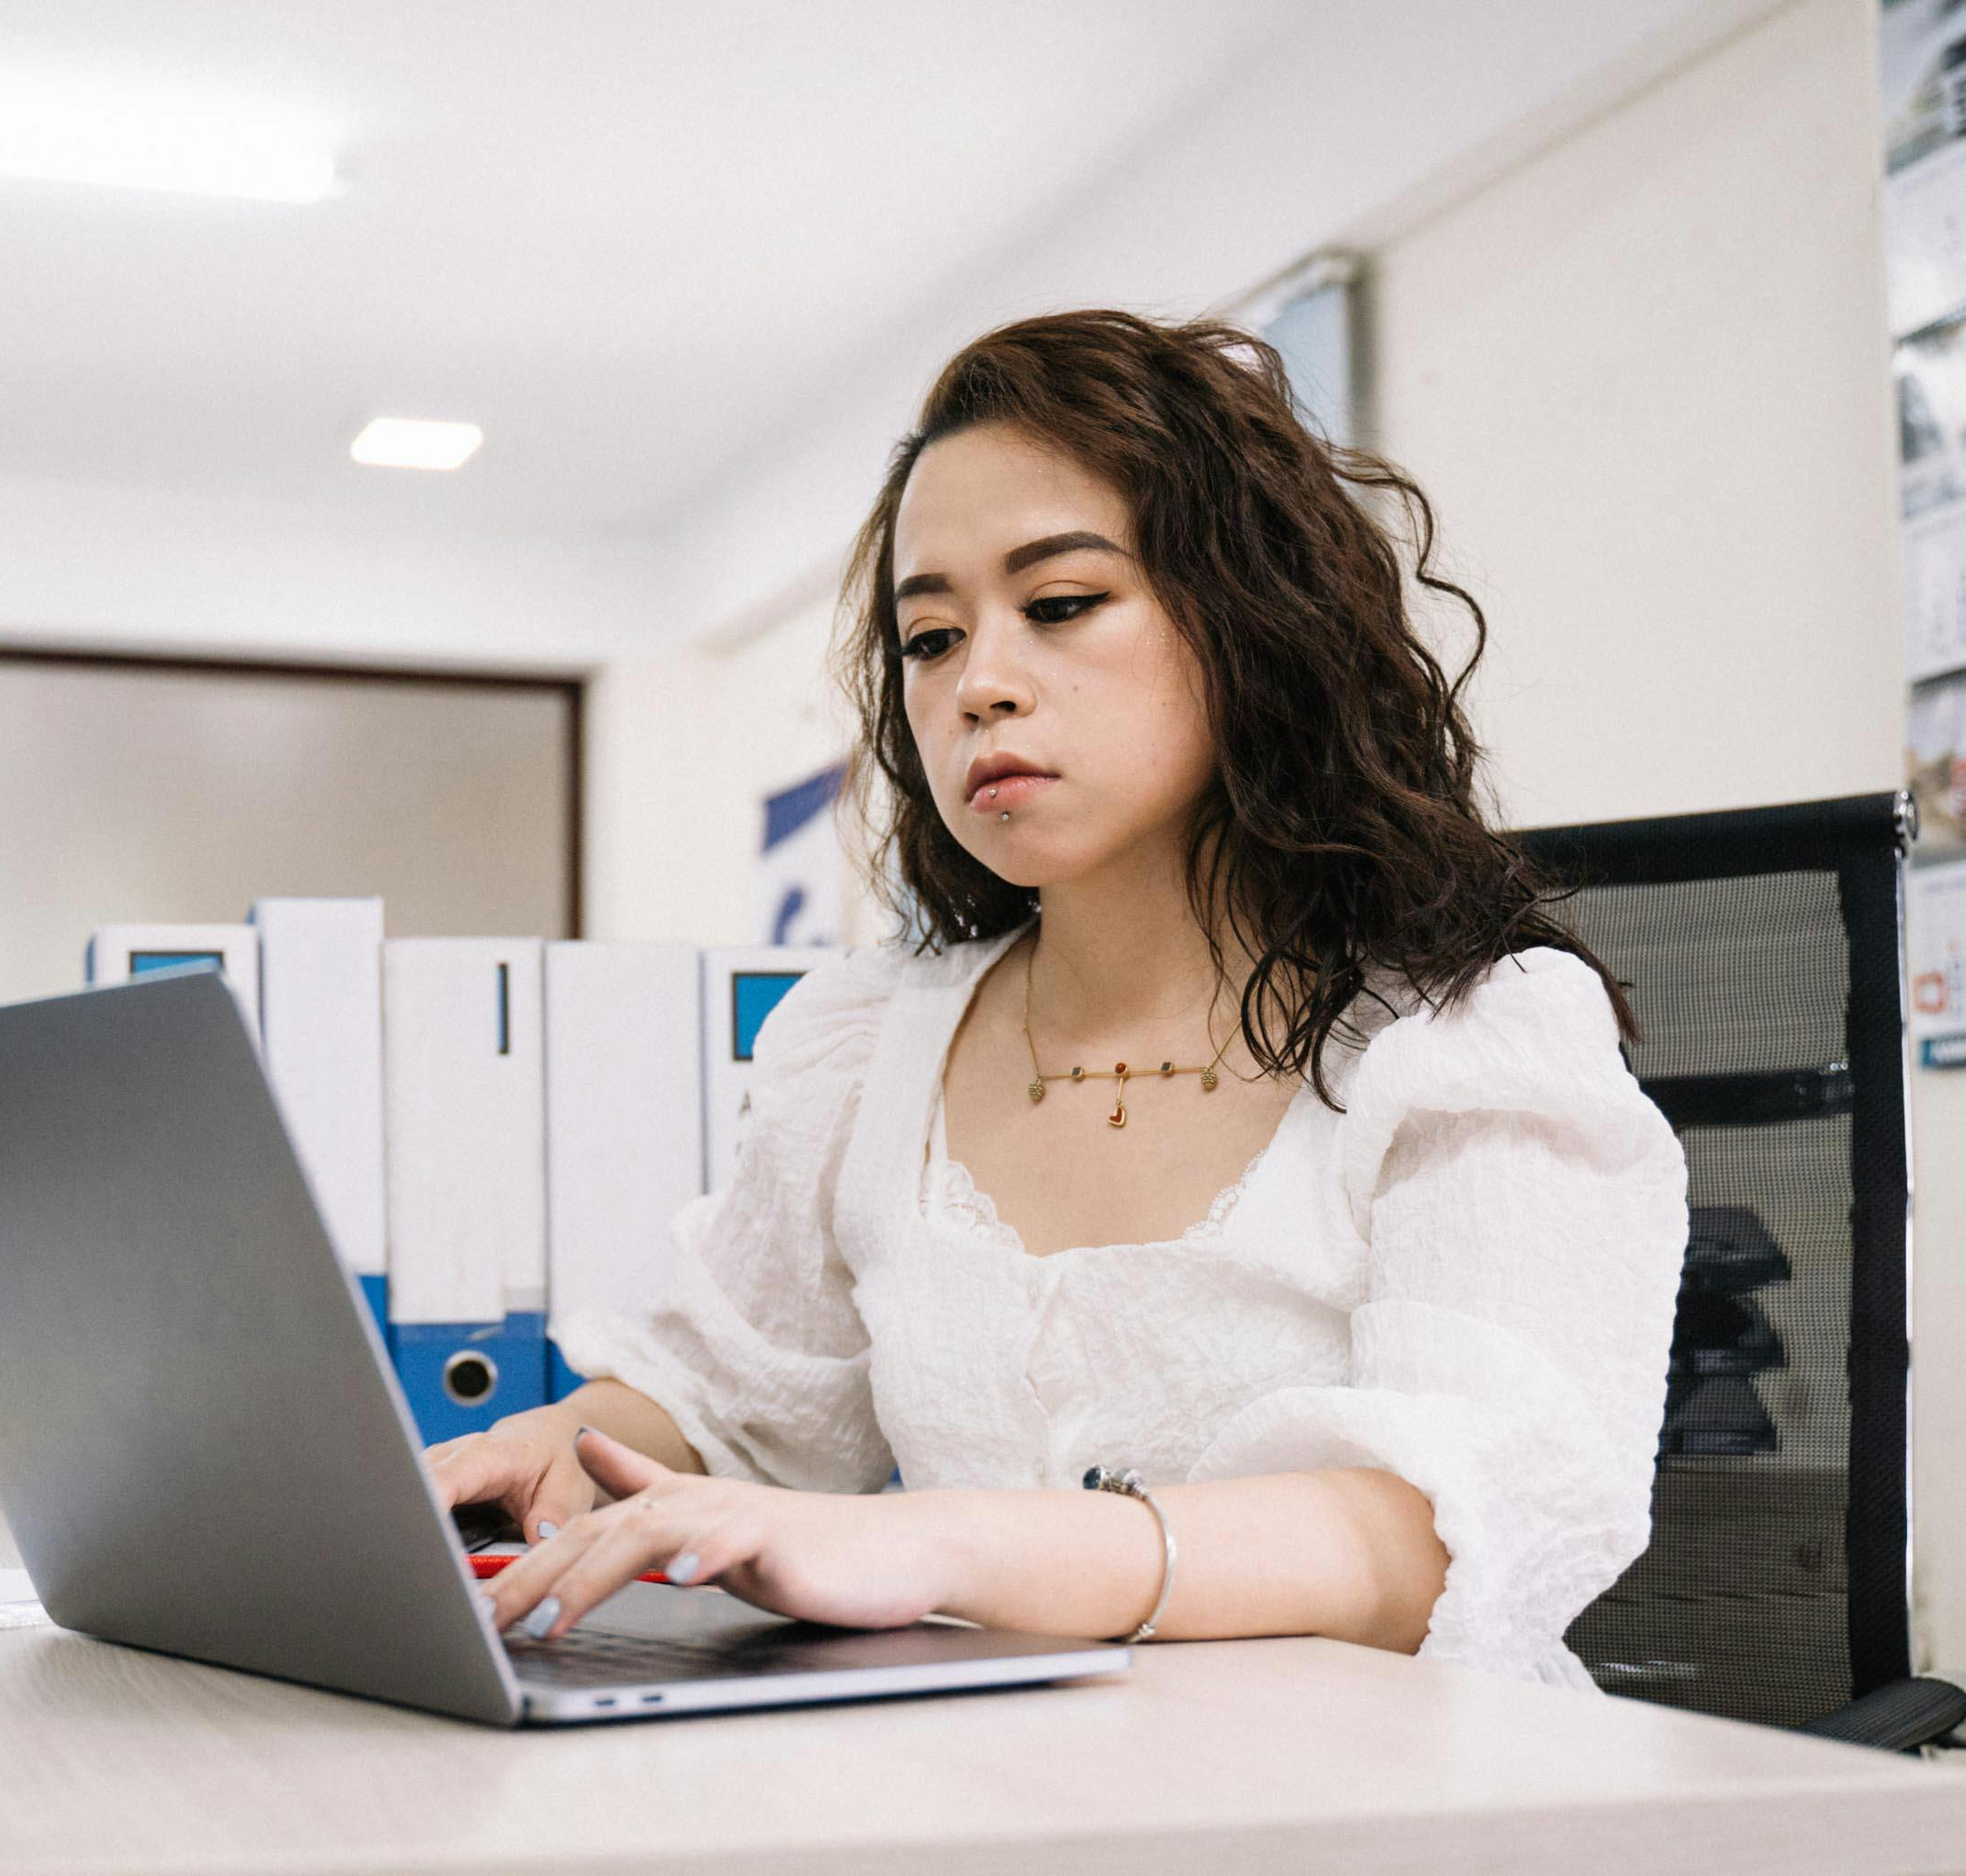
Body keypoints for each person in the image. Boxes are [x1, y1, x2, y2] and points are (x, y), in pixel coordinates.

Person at [436, 308, 1687, 1688]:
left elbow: (1436, 1544)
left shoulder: (1468, 1043)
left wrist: (952, 1543)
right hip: (998, 1794)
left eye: (1062, 604)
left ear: (1250, 618)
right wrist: (564, 1450)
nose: (979, 683)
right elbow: (730, 1399)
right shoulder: (870, 1049)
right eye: (929, 638)